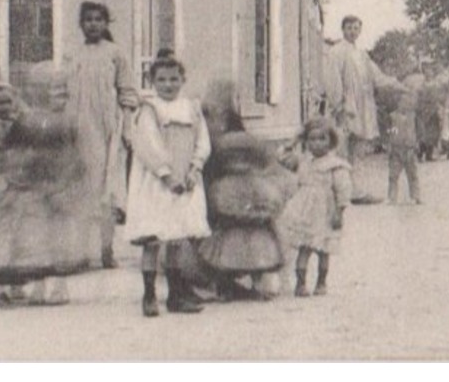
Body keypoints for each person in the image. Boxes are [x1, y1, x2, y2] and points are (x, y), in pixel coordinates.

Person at [0, 67, 96, 308]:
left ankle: (58, 286)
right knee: (31, 235)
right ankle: (32, 285)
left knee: (59, 235)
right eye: (43, 90)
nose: (52, 96)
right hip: (31, 183)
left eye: (59, 91)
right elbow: (17, 151)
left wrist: (71, 180)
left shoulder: (70, 120)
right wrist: (19, 176)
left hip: (58, 182)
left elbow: (76, 153)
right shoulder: (25, 120)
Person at [126, 55, 211, 317]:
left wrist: (195, 169)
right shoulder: (150, 109)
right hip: (157, 182)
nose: (168, 85)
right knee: (153, 239)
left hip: (185, 179)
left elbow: (202, 141)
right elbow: (147, 145)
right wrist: (165, 175)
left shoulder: (192, 108)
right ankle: (149, 294)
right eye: (161, 80)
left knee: (176, 238)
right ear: (151, 82)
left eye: (174, 79)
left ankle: (176, 294)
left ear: (183, 80)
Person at [196, 82, 293, 301]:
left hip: (233, 190)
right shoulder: (240, 140)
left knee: (233, 230)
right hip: (246, 189)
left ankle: (231, 278)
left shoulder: (226, 141)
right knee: (241, 230)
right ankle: (246, 278)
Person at [63, 1, 139, 269]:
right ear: (81, 24)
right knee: (82, 188)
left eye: (98, 19)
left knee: (108, 190)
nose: (93, 24)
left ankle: (107, 249)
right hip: (80, 127)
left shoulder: (115, 54)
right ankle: (82, 250)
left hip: (108, 128)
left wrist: (127, 128)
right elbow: (62, 92)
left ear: (106, 23)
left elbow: (128, 93)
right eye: (88, 20)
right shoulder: (72, 55)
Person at [323, 15, 401, 202]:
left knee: (357, 150)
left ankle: (354, 190)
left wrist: (398, 84)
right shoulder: (337, 52)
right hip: (346, 107)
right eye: (349, 28)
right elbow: (333, 80)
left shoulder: (362, 55)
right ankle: (341, 192)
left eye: (356, 28)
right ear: (343, 29)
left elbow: (377, 77)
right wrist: (338, 105)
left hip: (362, 107)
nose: (353, 32)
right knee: (342, 150)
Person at [279, 117, 352, 297]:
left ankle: (321, 282)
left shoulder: (335, 165)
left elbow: (343, 189)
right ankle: (301, 284)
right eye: (312, 139)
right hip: (304, 211)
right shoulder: (303, 162)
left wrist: (339, 212)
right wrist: (294, 140)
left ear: (331, 140)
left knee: (323, 250)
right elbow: (281, 156)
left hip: (325, 212)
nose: (317, 144)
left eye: (322, 139)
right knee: (304, 248)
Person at [385, 72, 423, 203]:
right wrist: (389, 142)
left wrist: (417, 142)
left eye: (409, 101)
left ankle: (416, 196)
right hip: (396, 149)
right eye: (403, 101)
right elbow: (390, 131)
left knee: (413, 174)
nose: (406, 104)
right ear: (398, 103)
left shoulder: (413, 116)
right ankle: (392, 197)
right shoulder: (392, 116)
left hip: (410, 149)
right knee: (393, 175)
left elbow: (418, 130)